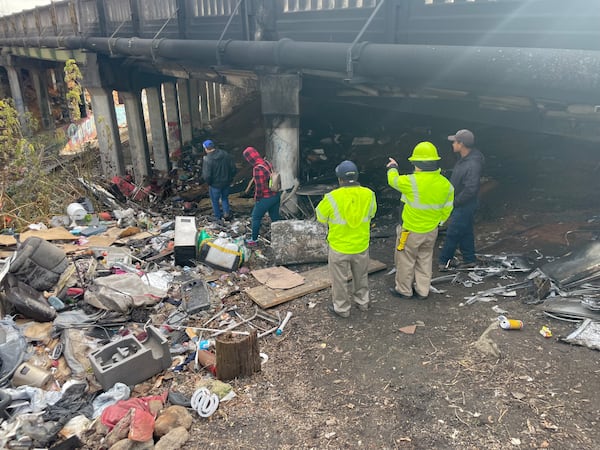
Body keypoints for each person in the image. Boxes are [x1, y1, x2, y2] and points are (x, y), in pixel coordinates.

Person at [387, 142, 454, 300]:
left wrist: (392, 167)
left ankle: (404, 290)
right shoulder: (446, 185)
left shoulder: (411, 182)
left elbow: (393, 180)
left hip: (410, 230)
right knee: (425, 259)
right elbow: (447, 208)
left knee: (405, 260)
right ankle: (423, 290)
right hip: (431, 230)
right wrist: (439, 222)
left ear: (417, 164)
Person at [316, 160, 377, 318]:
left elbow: (320, 217)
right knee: (361, 276)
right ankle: (363, 302)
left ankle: (342, 309)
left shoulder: (331, 198)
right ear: (357, 176)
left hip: (339, 247)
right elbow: (372, 213)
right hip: (361, 245)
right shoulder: (369, 194)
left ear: (339, 179)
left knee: (339, 280)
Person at [438, 129, 485, 271]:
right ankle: (470, 259)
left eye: (454, 141)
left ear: (461, 144)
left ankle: (444, 262)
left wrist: (455, 202)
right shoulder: (465, 159)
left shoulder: (472, 164)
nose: (452, 144)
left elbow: (471, 189)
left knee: (453, 232)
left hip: (464, 204)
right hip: (463, 203)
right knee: (466, 231)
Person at [242, 146, 281, 247]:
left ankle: (253, 240)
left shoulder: (257, 169)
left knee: (255, 217)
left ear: (249, 158)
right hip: (276, 195)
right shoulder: (266, 163)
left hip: (266, 197)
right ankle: (280, 237)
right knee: (275, 218)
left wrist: (257, 198)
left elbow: (259, 187)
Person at [201, 139, 237, 222]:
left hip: (214, 185)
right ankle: (226, 213)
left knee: (215, 201)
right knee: (225, 198)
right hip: (226, 183)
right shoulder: (225, 154)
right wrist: (230, 178)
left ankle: (218, 217)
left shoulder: (207, 159)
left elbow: (207, 175)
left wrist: (209, 183)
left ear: (206, 148)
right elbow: (233, 169)